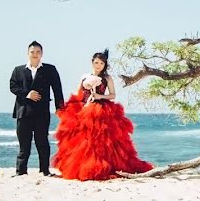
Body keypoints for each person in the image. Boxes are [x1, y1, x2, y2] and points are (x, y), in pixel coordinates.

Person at [53, 49, 153, 180]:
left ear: (105, 64)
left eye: (101, 63)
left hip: (101, 109)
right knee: (83, 141)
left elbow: (113, 95)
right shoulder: (84, 76)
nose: (98, 65)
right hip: (84, 109)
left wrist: (99, 96)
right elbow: (79, 93)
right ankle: (84, 167)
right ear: (92, 63)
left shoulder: (107, 78)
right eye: (96, 62)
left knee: (103, 141)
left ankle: (104, 166)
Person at [9, 40, 64, 176]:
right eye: (32, 52)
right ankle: (21, 172)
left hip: (42, 113)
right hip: (23, 112)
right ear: (28, 53)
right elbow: (13, 86)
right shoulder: (18, 70)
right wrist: (27, 94)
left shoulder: (50, 69)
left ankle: (45, 171)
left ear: (42, 54)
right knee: (24, 144)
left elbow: (57, 89)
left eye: (38, 52)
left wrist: (59, 107)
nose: (35, 54)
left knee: (42, 143)